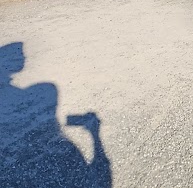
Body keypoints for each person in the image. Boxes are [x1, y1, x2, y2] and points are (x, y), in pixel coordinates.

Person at [0, 42, 111, 187]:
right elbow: (104, 179)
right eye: (22, 54)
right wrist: (95, 134)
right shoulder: (47, 88)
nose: (24, 57)